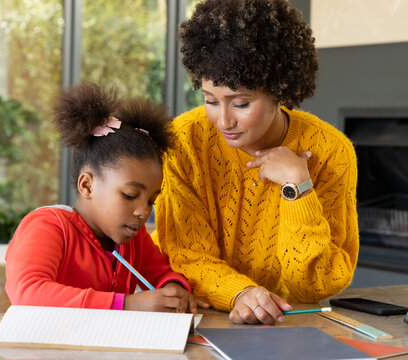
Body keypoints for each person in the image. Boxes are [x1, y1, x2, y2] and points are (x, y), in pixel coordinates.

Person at [153, 0, 359, 325]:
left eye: (241, 103)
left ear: (279, 93)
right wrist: (240, 292)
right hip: (205, 318)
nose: (223, 120)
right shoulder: (184, 143)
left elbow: (317, 283)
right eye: (209, 100)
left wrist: (298, 187)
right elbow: (186, 255)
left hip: (294, 324)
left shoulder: (331, 151)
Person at [6, 82, 208, 314]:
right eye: (130, 195)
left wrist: (173, 290)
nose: (143, 211)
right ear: (87, 185)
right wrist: (126, 304)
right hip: (46, 349)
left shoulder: (133, 238)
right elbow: (28, 292)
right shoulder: (48, 226)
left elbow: (161, 273)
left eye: (151, 200)